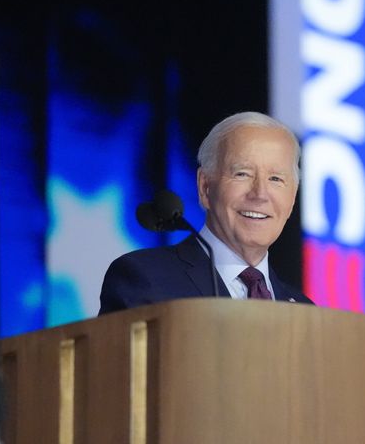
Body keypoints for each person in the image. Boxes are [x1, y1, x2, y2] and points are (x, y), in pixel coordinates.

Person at [99, 111, 313, 314]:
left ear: (292, 198)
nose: (260, 194)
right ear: (205, 187)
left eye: (276, 179)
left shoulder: (306, 311)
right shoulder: (145, 278)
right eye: (242, 174)